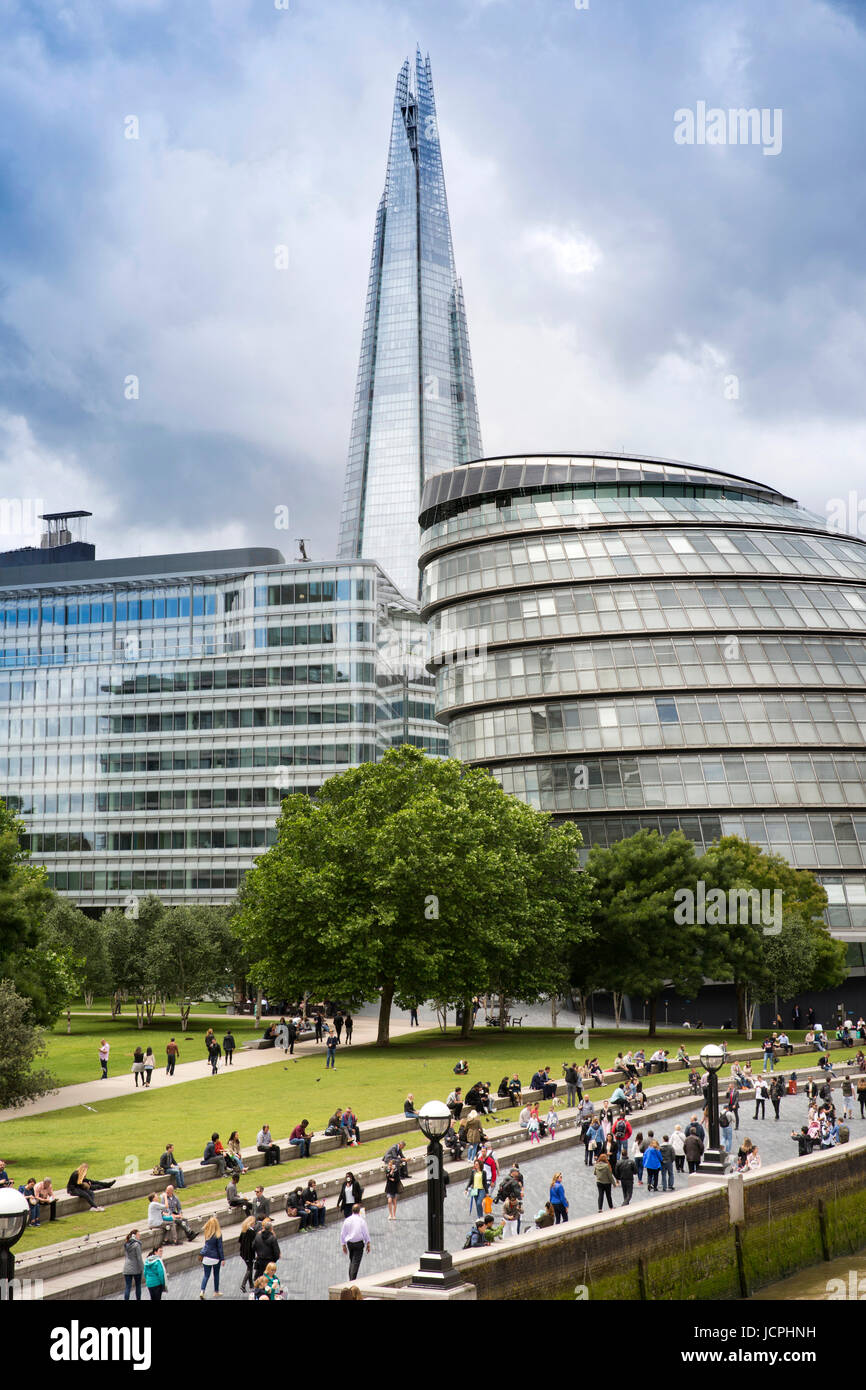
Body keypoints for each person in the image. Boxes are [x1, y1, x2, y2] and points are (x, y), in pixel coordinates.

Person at [341, 1203, 371, 1281]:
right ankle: (352, 1279)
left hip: (350, 1243)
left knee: (352, 1261)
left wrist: (343, 1244)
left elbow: (343, 1233)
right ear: (359, 1211)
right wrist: (368, 1243)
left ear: (352, 1211)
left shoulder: (347, 1220)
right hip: (358, 1243)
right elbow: (365, 1232)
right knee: (355, 1262)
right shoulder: (361, 1221)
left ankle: (351, 1278)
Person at [199, 1216, 225, 1298]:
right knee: (216, 1274)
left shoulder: (207, 1233)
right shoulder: (218, 1235)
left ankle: (202, 1291)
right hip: (215, 1257)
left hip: (206, 1256)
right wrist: (222, 1258)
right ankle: (216, 1291)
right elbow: (220, 1248)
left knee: (206, 1275)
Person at [122, 1230, 144, 1300]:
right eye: (138, 1234)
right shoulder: (137, 1245)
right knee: (138, 1286)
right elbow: (139, 1258)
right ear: (134, 1235)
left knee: (128, 1287)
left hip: (127, 1268)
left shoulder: (126, 1244)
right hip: (136, 1268)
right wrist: (143, 1268)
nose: (139, 1235)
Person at [239, 1215, 257, 1293]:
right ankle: (243, 1284)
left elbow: (239, 1240)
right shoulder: (251, 1232)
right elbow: (254, 1243)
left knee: (249, 1267)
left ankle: (251, 1284)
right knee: (249, 1268)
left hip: (243, 1252)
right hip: (249, 1253)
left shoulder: (243, 1231)